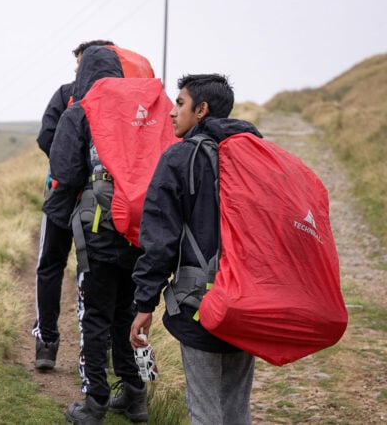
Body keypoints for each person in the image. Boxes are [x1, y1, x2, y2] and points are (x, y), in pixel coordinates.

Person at [130, 74, 262, 424]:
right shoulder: (255, 155)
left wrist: (145, 303)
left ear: (201, 110)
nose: (172, 113)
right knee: (236, 408)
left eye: (180, 103)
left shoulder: (179, 158)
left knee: (205, 412)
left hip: (199, 305)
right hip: (248, 300)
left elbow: (160, 240)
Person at [48, 45, 148, 424]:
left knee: (96, 316)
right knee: (126, 312)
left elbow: (66, 170)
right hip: (139, 229)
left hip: (100, 228)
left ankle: (95, 403)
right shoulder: (142, 114)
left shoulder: (83, 109)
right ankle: (135, 395)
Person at [32, 39, 114, 370]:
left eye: (81, 62)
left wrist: (69, 164)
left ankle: (47, 343)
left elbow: (45, 137)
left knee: (50, 265)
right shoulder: (122, 101)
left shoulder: (66, 93)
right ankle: (95, 349)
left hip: (63, 194)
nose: (79, 69)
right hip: (105, 202)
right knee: (92, 270)